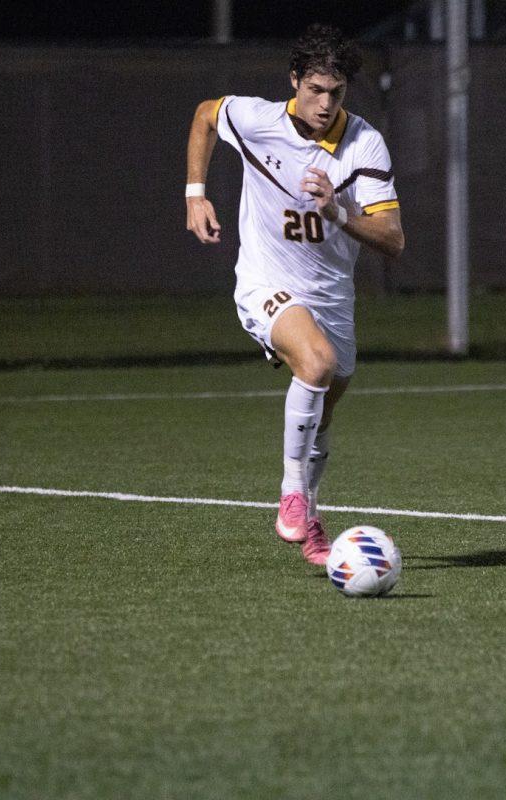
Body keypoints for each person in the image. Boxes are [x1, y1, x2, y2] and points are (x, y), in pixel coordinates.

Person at [184, 24, 404, 565]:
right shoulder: (259, 119)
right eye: (315, 90)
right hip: (266, 282)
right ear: (295, 82)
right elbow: (206, 115)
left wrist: (339, 212)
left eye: (336, 93)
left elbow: (393, 240)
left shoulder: (365, 143)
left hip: (332, 297)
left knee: (324, 416)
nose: (325, 104)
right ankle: (291, 497)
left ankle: (307, 509)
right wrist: (195, 194)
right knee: (317, 360)